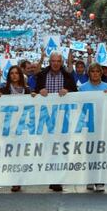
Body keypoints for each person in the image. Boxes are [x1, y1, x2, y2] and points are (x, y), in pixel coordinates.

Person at [34, 51, 77, 192]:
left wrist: (68, 90)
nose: (56, 63)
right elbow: (33, 93)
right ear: (49, 61)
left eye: (59, 61)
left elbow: (76, 94)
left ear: (62, 62)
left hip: (63, 119)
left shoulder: (68, 76)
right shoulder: (41, 75)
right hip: (46, 120)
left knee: (61, 149)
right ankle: (51, 176)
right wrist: (39, 91)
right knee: (48, 148)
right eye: (53, 61)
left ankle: (58, 178)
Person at [0, 65, 33, 192]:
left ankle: (20, 178)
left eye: (16, 73)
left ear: (20, 75)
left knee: (21, 154)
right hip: (9, 127)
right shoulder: (3, 89)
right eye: (11, 73)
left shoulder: (28, 90)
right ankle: (14, 180)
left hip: (23, 127)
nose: (14, 75)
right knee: (12, 154)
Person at [79, 62, 107, 192]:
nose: (95, 74)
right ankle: (90, 178)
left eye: (98, 71)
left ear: (101, 73)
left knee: (101, 151)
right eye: (92, 71)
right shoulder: (82, 88)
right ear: (89, 73)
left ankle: (100, 179)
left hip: (102, 123)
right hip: (88, 124)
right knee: (89, 152)